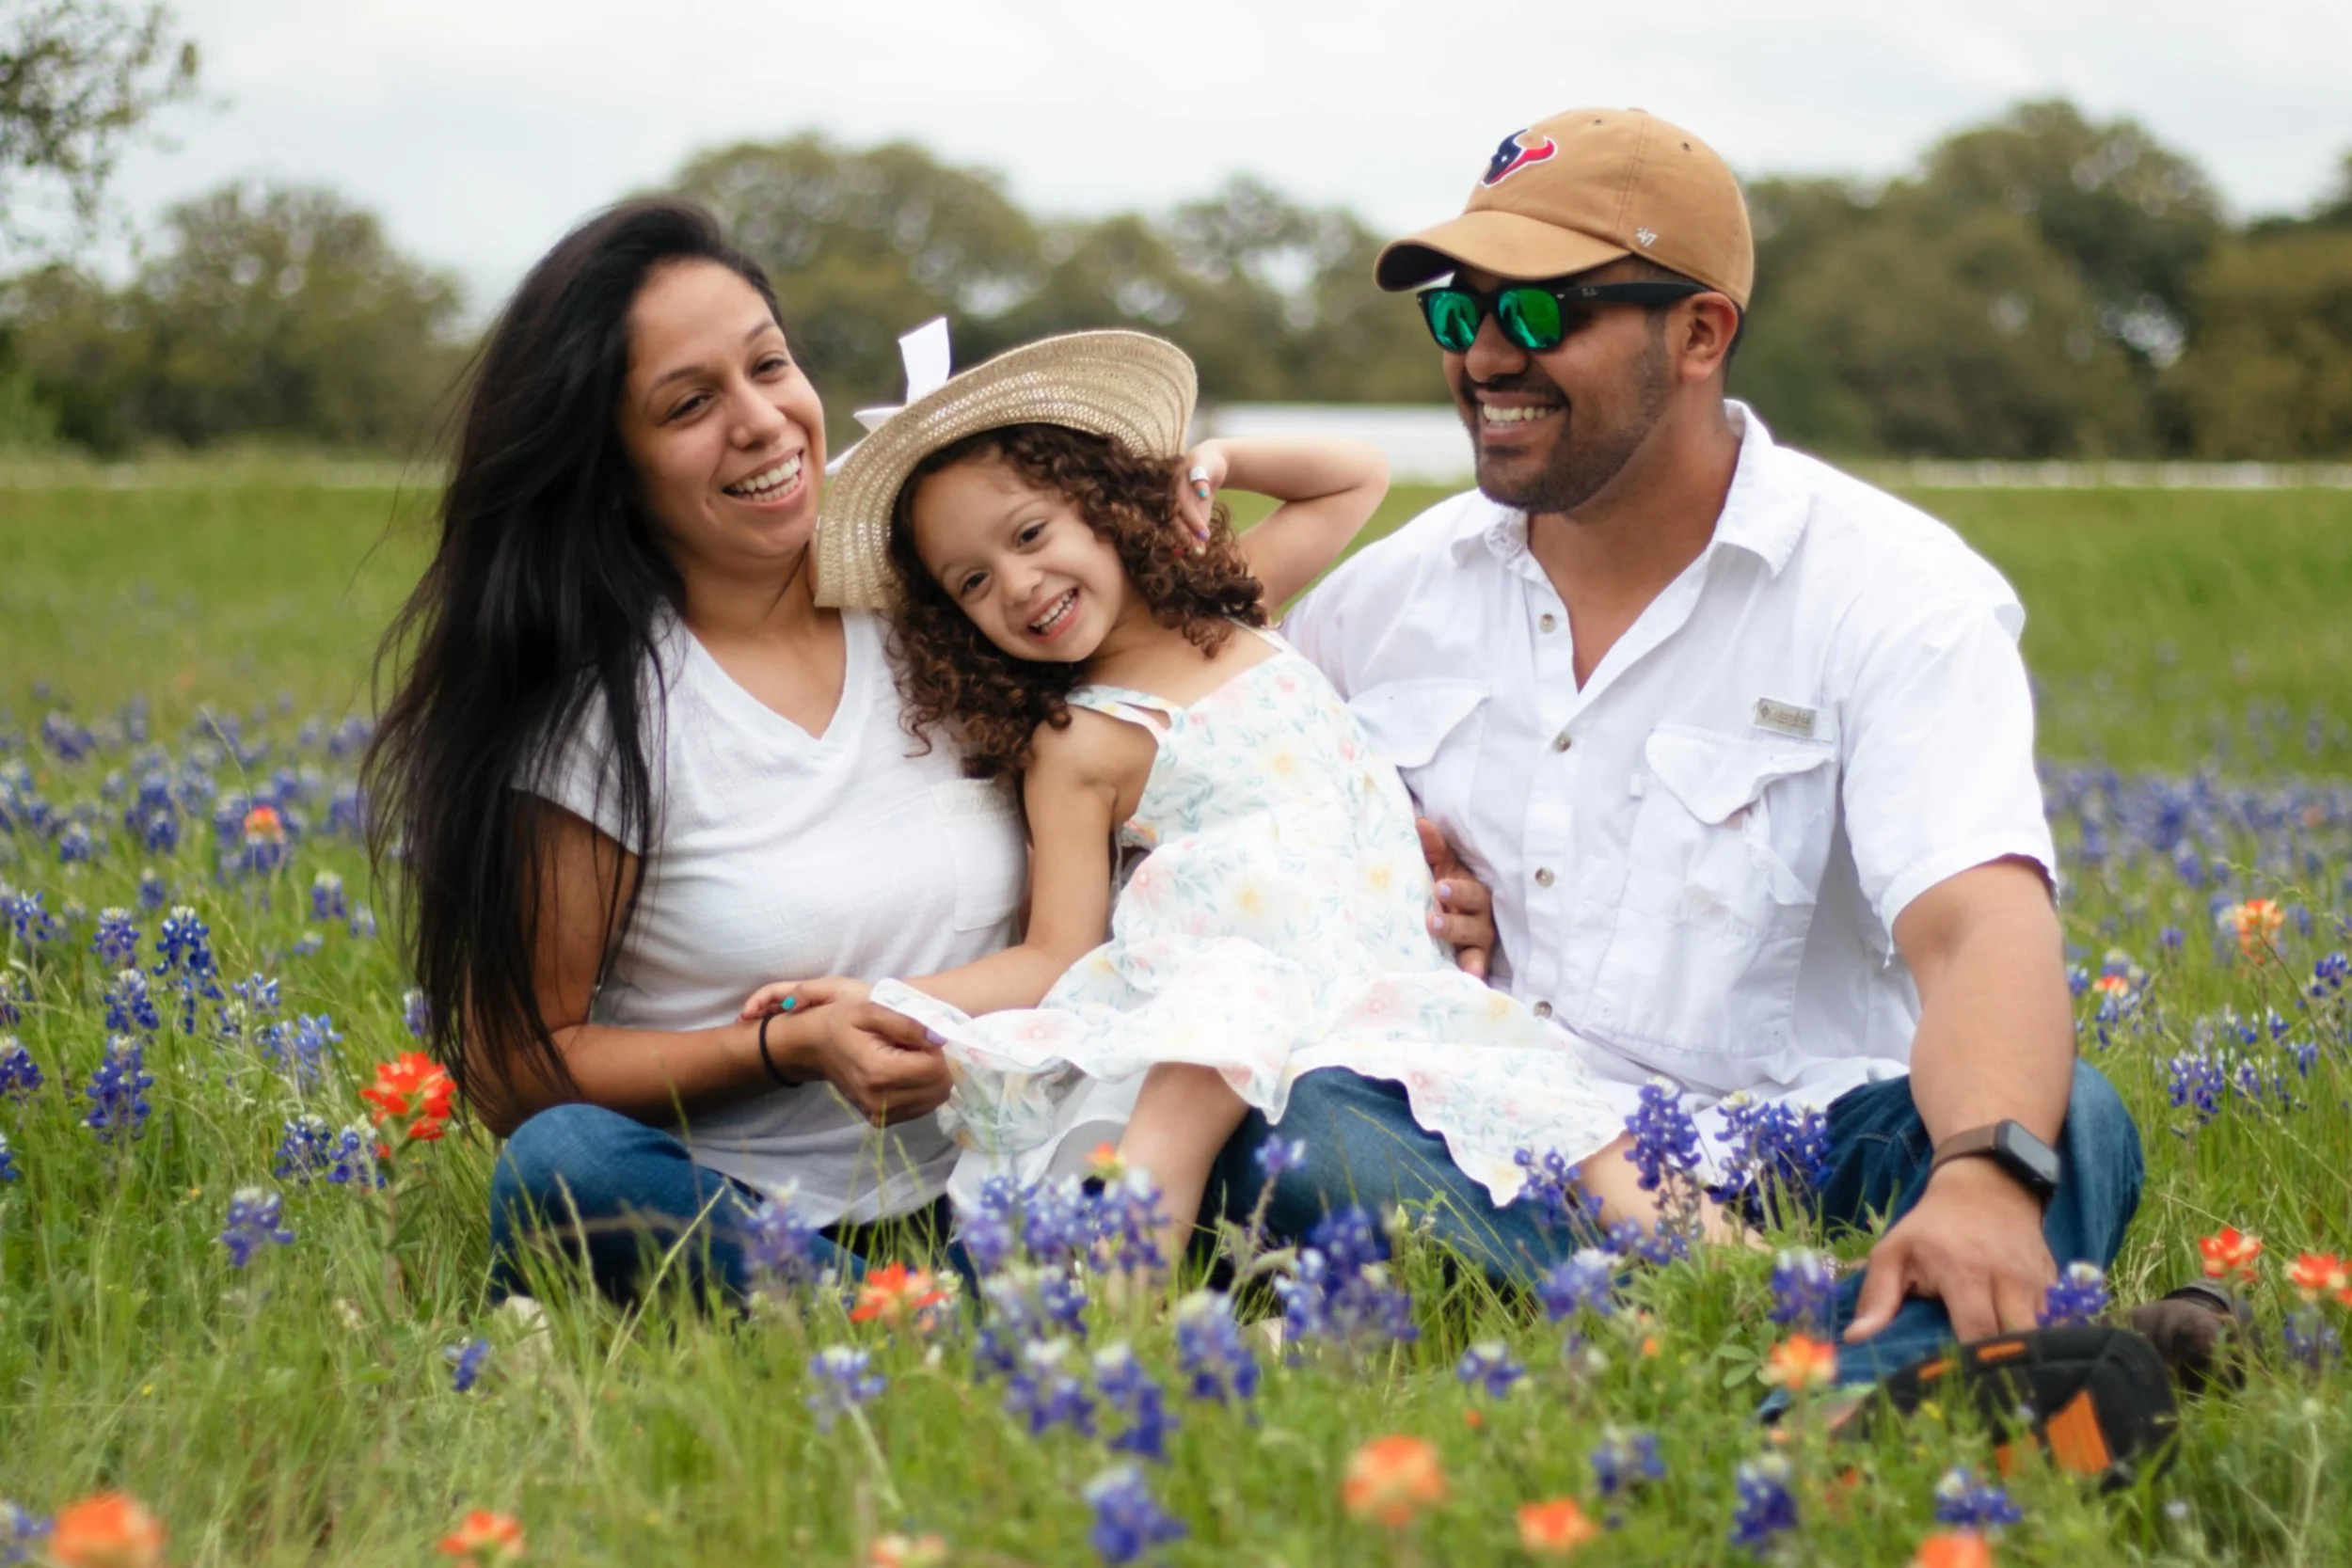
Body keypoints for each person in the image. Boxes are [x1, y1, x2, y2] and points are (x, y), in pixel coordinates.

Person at [361, 201, 1495, 1304]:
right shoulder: (609, 719)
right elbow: (518, 1067)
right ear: (612, 467)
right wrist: (785, 1046)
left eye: (769, 365)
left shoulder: (967, 619)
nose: (758, 419)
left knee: (1298, 1125)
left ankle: (1638, 1280)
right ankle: (894, 1318)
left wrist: (1372, 860)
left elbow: (1202, 734)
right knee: (565, 1167)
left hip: (1033, 1164)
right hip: (740, 1198)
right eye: (688, 403)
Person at [1209, 107, 2153, 1387]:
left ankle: (1785, 1350)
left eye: (1541, 314)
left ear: (1701, 332)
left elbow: (1979, 922)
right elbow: (1220, 837)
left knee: (2063, 1123)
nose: (1487, 353)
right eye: (1457, 311)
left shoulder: (1893, 591)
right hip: (1501, 1141)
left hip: (1802, 1138)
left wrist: (1982, 1177)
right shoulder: (1385, 602)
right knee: (1312, 1130)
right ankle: (1865, 1372)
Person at [748, 331, 1632, 1270]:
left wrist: (1209, 465)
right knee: (1210, 1035)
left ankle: (1737, 1278)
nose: (1018, 584)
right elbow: (1055, 948)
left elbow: (1354, 478)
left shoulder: (1231, 606)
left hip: (1382, 982)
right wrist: (892, 996)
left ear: (1103, 506)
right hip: (1240, 996)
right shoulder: (1079, 737)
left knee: (1574, 1117)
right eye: (972, 580)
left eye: (1031, 532)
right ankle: (1119, 1310)